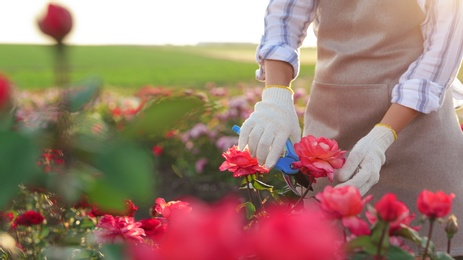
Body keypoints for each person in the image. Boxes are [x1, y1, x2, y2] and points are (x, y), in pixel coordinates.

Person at [237, 0, 463, 256]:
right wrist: (276, 96)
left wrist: (383, 135)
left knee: (424, 247)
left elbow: (439, 58)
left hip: (418, 136)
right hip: (331, 125)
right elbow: (286, 16)